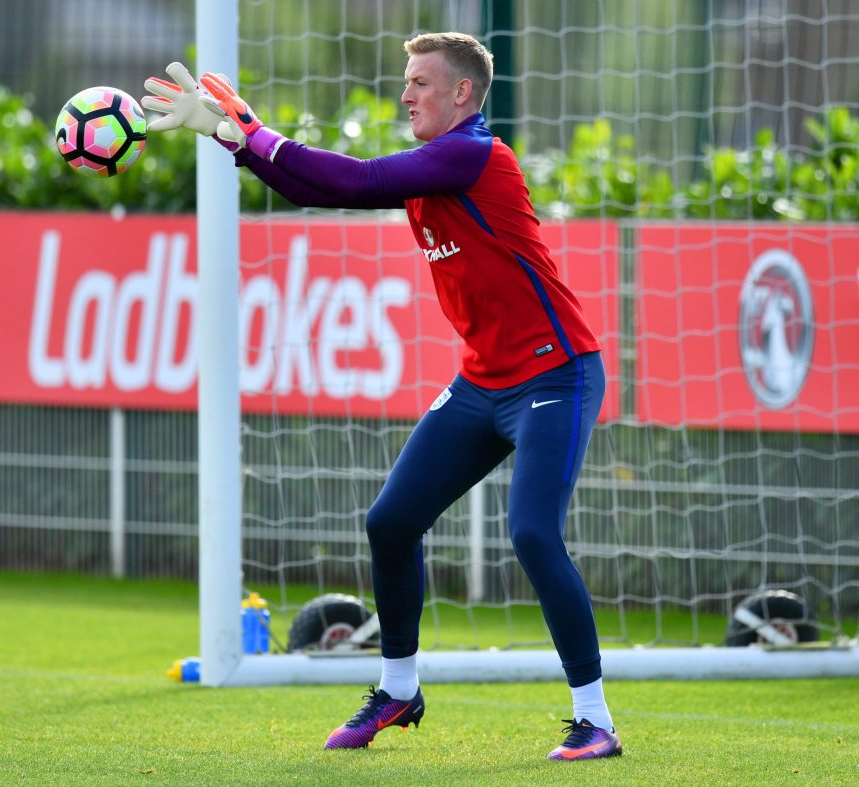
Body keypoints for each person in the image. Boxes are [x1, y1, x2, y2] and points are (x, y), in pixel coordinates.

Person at [143, 31, 621, 761]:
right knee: (391, 521)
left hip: (557, 373)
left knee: (530, 532)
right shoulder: (437, 164)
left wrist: (253, 132)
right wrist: (233, 141)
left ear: (462, 93)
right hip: (483, 380)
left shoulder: (473, 154)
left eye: (420, 82)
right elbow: (317, 188)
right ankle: (398, 690)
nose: (405, 94)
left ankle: (596, 720)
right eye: (406, 81)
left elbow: (357, 181)